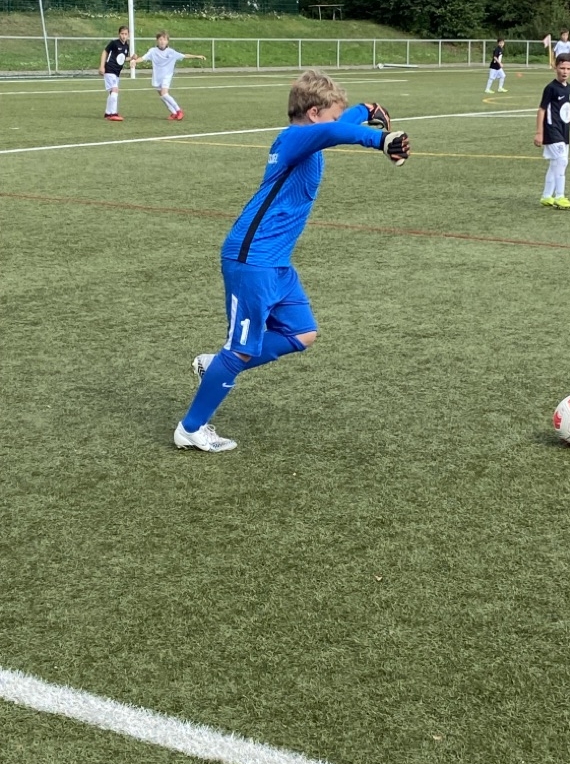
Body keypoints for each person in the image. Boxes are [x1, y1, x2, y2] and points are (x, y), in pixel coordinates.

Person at [173, 69, 411, 452]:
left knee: (302, 332)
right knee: (242, 348)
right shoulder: (294, 138)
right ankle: (190, 427)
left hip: (276, 261)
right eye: (332, 114)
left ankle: (216, 364)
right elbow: (332, 132)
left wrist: (367, 110)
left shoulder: (308, 135)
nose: (337, 121)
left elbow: (334, 126)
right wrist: (379, 139)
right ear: (314, 113)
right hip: (253, 259)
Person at [534, 53, 570, 209]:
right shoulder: (551, 88)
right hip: (551, 129)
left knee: (555, 163)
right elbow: (541, 110)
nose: (565, 71)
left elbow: (566, 109)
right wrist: (539, 132)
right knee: (562, 161)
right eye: (562, 68)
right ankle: (560, 196)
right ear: (555, 68)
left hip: (563, 130)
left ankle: (546, 196)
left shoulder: (569, 88)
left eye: (568, 68)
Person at [129, 31, 206, 120]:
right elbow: (143, 58)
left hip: (167, 76)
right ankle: (173, 113)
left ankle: (179, 110)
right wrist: (135, 61)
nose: (162, 41)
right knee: (162, 96)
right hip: (157, 77)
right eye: (160, 39)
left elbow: (184, 56)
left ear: (167, 41)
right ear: (157, 41)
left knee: (164, 94)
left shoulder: (171, 52)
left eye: (164, 39)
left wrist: (197, 56)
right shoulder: (153, 51)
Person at [99, 25, 131, 121]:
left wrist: (131, 58)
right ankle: (113, 113)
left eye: (125, 34)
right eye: (122, 34)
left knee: (112, 92)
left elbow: (122, 58)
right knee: (115, 90)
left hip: (116, 72)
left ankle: (108, 113)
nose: (124, 36)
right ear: (119, 34)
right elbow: (105, 52)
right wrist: (102, 66)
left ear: (128, 35)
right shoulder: (114, 43)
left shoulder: (126, 46)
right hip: (110, 69)